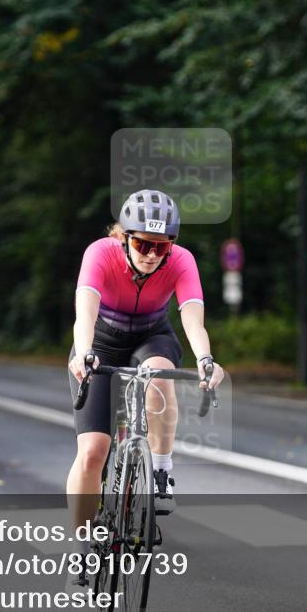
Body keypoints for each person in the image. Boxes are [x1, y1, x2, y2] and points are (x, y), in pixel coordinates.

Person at [66, 188, 225, 586]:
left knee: (158, 375)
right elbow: (84, 314)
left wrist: (205, 360)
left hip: (152, 337)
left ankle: (161, 470)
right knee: (92, 453)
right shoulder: (100, 253)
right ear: (124, 237)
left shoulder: (182, 261)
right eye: (142, 244)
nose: (152, 255)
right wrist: (83, 354)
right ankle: (82, 546)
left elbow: (193, 319)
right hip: (101, 342)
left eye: (161, 247)